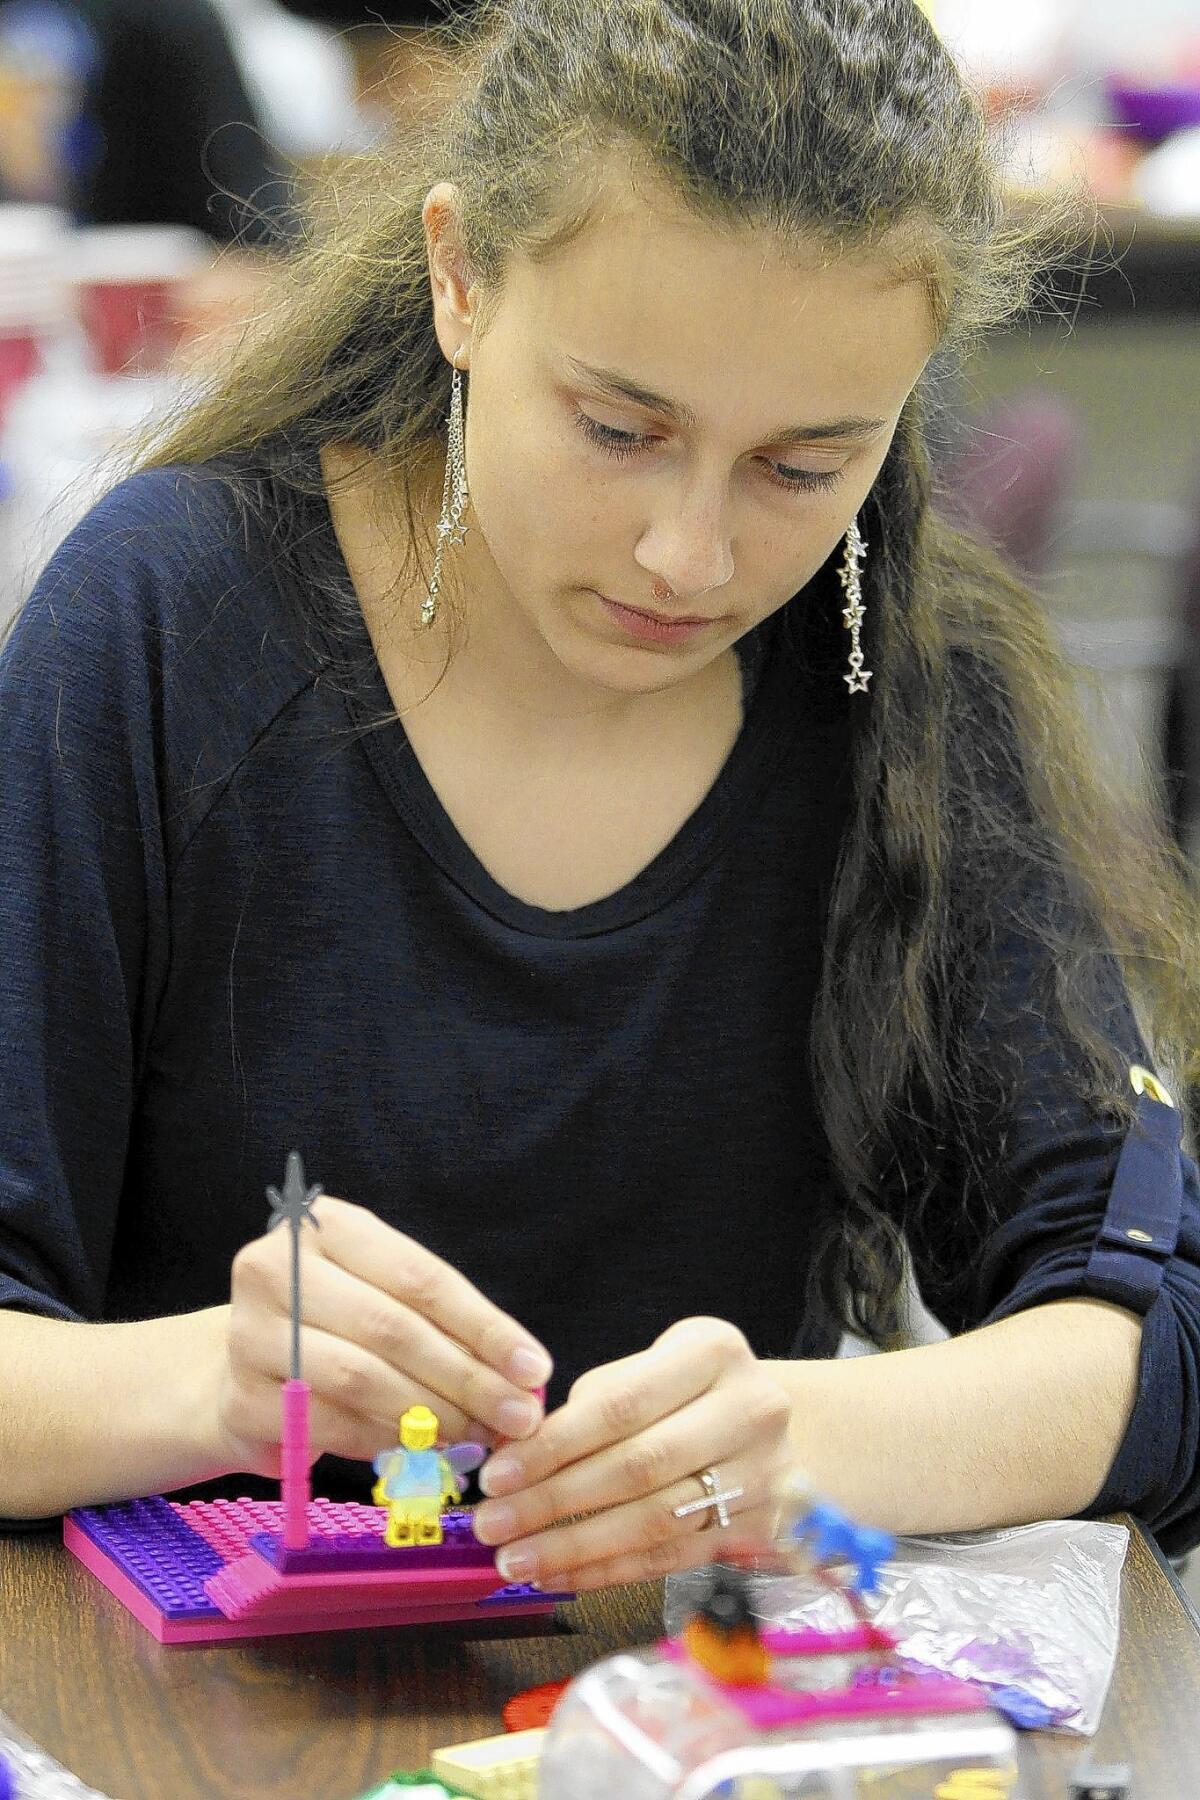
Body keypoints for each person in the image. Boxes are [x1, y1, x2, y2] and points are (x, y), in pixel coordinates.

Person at [1, 0, 1199, 1594]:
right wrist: (206, 1380)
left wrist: (812, 1438)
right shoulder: (167, 622)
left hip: (690, 1714)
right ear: (459, 279)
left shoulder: (897, 681)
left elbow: (1155, 1338)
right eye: (619, 429)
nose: (689, 558)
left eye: (802, 465)